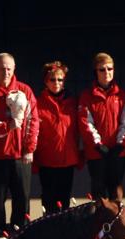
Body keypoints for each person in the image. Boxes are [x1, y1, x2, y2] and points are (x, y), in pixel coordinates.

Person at [0, 53, 39, 239]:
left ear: (14, 70)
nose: (5, 72)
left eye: (9, 69)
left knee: (22, 196)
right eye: (1, 68)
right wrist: (7, 126)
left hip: (21, 155)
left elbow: (33, 122)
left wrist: (29, 149)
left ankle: (21, 231)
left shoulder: (25, 90)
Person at [78, 52, 125, 201]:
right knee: (99, 193)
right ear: (96, 72)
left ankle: (116, 224)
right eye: (102, 69)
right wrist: (98, 145)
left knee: (116, 192)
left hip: (117, 152)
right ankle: (100, 224)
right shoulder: (87, 96)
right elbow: (86, 123)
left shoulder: (122, 95)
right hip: (96, 153)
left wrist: (121, 144)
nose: (106, 72)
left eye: (109, 69)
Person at [35, 61, 80, 213]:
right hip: (47, 160)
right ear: (45, 81)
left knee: (65, 198)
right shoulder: (37, 103)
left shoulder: (72, 102)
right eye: (52, 80)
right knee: (49, 199)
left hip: (67, 159)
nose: (56, 83)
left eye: (60, 80)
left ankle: (63, 230)